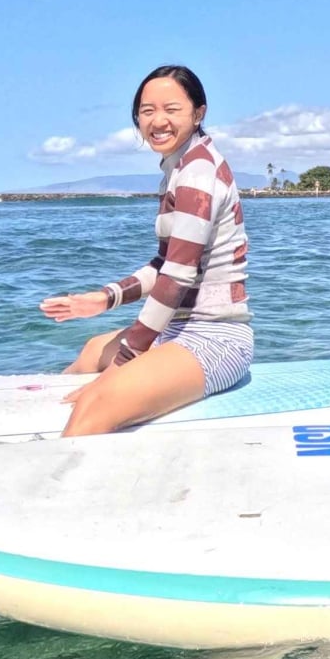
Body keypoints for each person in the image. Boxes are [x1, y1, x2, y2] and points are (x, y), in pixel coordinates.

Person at [39, 65, 252, 436]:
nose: (158, 120)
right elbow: (165, 263)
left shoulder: (198, 175)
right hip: (179, 331)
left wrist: (127, 359)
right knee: (92, 351)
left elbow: (178, 276)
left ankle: (61, 479)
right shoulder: (178, 167)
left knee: (98, 403)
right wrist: (104, 299)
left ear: (199, 113)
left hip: (216, 339)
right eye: (147, 110)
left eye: (172, 109)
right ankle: (42, 423)